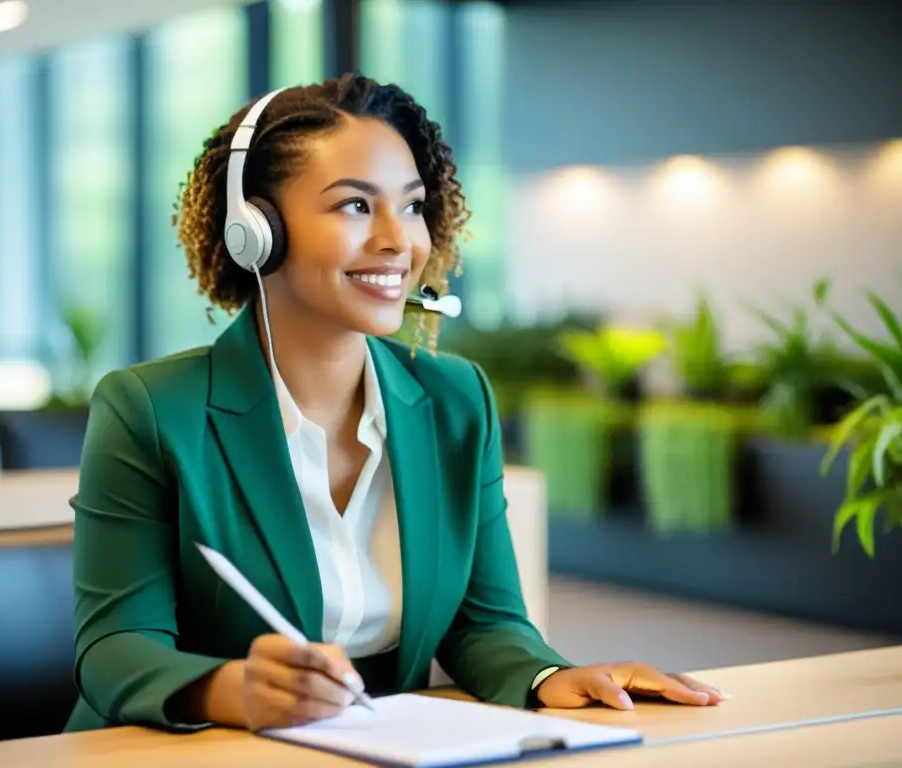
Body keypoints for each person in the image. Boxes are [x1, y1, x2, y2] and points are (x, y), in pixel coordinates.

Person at [65, 73, 724, 735]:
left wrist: (546, 676)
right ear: (255, 230)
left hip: (367, 747)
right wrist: (229, 689)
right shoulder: (150, 410)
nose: (399, 241)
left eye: (411, 206)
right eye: (355, 206)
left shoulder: (457, 399)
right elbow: (114, 651)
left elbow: (484, 623)